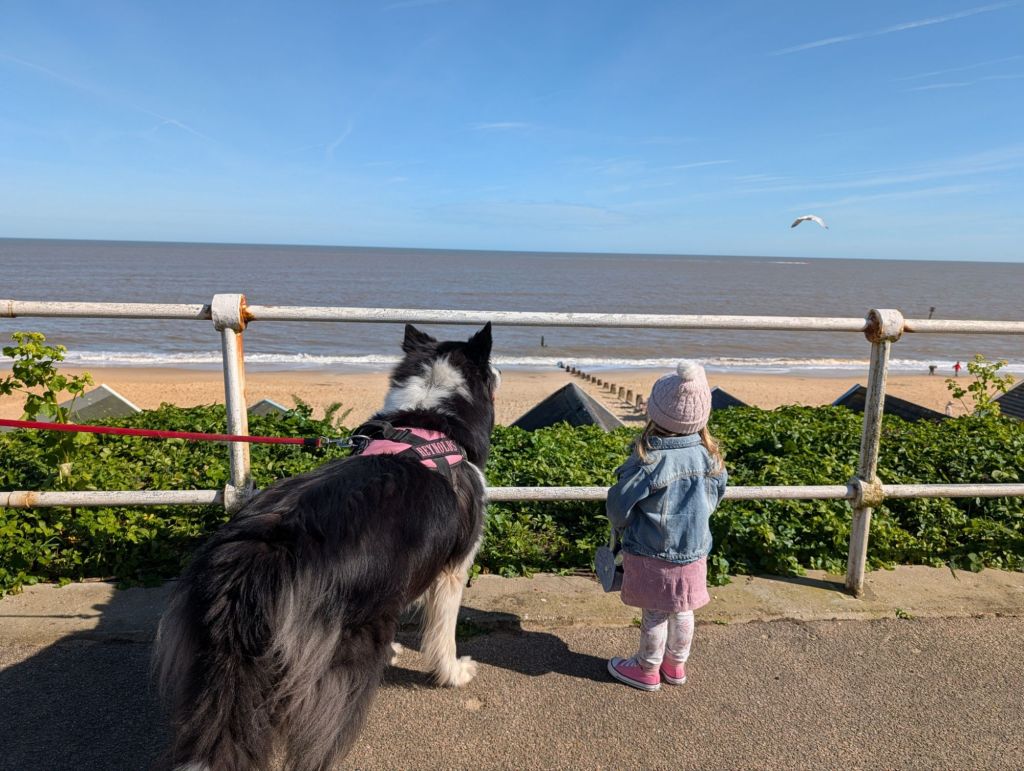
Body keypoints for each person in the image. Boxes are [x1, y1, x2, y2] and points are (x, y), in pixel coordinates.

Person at [605, 361, 727, 691]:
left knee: (655, 613)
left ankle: (646, 669)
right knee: (684, 610)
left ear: (655, 414)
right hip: (694, 551)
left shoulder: (651, 460)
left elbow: (617, 507)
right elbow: (715, 496)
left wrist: (622, 525)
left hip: (652, 552)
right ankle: (675, 666)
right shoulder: (709, 458)